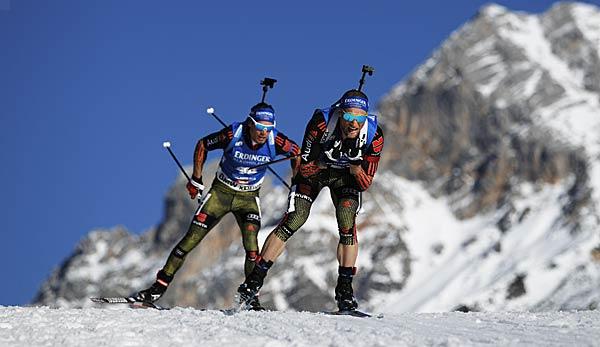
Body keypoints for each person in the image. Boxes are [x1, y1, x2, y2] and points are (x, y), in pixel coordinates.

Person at [136, 102, 300, 310]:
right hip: (220, 194)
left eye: (268, 129)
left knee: (252, 248)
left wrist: (296, 184)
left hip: (248, 199)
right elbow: (203, 144)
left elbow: (297, 153)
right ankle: (157, 288)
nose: (263, 133)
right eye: (259, 128)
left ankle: (251, 297)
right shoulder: (234, 133)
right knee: (189, 241)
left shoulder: (275, 140)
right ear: (250, 124)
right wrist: (196, 178)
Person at [237, 89, 384, 312]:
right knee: (295, 218)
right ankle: (252, 283)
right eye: (348, 117)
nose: (354, 123)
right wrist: (326, 160)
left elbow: (365, 183)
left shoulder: (374, 136)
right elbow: (304, 169)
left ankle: (345, 290)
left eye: (359, 118)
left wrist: (354, 168)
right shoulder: (321, 123)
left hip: (345, 178)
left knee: (347, 219)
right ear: (340, 113)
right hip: (316, 173)